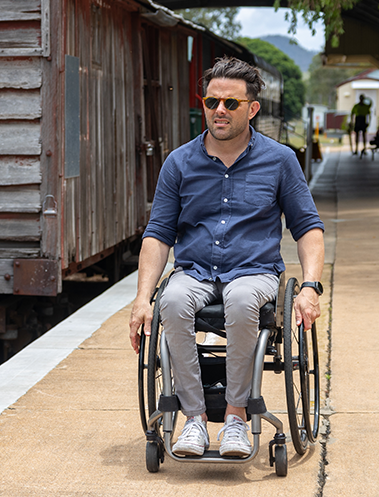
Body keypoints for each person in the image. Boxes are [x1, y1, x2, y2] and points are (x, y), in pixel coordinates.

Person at [128, 57, 325, 459]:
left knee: (240, 300)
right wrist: (142, 299)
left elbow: (307, 227)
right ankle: (195, 420)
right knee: (174, 300)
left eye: (230, 103)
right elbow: (158, 234)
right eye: (211, 101)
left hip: (255, 271)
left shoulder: (280, 160)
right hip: (196, 270)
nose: (219, 110)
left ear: (252, 109)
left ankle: (236, 417)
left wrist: (309, 286)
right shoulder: (179, 163)